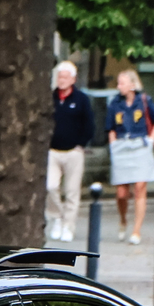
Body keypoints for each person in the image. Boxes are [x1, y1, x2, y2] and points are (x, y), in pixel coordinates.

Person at [103, 68, 154, 244]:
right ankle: (123, 220)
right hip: (122, 145)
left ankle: (136, 230)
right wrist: (113, 144)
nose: (119, 86)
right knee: (122, 193)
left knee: (140, 187)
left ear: (132, 85)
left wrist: (151, 140)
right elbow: (110, 127)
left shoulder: (144, 101)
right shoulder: (115, 103)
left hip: (140, 145)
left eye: (122, 82)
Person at [47, 61, 94, 243]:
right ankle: (57, 217)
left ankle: (69, 226)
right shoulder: (50, 97)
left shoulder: (81, 99)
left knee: (72, 191)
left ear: (73, 79)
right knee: (50, 186)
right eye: (59, 76)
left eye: (65, 77)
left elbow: (89, 124)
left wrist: (81, 144)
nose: (62, 80)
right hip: (53, 151)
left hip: (73, 151)